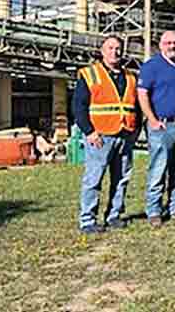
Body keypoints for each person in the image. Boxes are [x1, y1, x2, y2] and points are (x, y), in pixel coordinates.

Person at [75, 35, 139, 234]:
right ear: (102, 52)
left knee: (121, 178)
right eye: (110, 48)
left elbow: (135, 106)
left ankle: (113, 215)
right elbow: (78, 106)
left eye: (118, 48)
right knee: (94, 179)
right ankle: (87, 220)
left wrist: (135, 131)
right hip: (100, 136)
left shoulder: (131, 76)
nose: (115, 52)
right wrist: (89, 131)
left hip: (125, 134)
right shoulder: (89, 74)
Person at [137, 31, 175, 228]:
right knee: (158, 169)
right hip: (161, 125)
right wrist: (151, 119)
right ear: (160, 45)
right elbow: (142, 95)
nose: (172, 46)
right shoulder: (151, 67)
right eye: (168, 43)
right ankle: (154, 210)